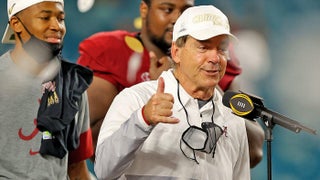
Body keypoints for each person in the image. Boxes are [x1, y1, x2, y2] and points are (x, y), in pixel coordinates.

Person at [77, 0, 264, 168]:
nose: (177, 18)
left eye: (185, 11)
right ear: (144, 9)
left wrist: (200, 82)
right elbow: (93, 145)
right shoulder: (111, 52)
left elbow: (253, 152)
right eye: (167, 9)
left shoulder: (216, 61)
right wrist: (159, 91)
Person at [0, 0, 94, 179]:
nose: (56, 26)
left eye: (61, 19)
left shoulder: (73, 82)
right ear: (16, 24)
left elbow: (76, 167)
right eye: (45, 17)